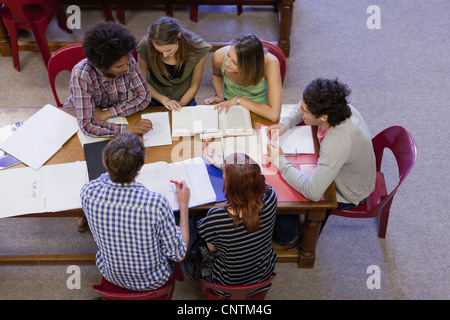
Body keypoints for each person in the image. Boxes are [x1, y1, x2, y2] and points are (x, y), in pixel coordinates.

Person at [267, 78, 376, 249]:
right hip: (342, 170)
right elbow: (300, 107)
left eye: (305, 111)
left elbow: (314, 192)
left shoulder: (337, 142)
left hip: (347, 192)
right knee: (291, 175)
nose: (300, 111)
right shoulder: (341, 109)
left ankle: (288, 237)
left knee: (281, 190)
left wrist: (279, 160)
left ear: (323, 117)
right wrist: (284, 124)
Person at [80, 132, 190, 291]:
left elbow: (104, 178)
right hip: (154, 280)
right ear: (140, 167)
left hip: (112, 275)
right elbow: (180, 255)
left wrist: (117, 167)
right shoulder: (156, 204)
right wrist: (184, 205)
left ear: (105, 162)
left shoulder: (88, 192)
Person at [197, 153, 277, 294]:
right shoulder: (271, 196)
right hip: (263, 273)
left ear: (230, 188)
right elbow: (258, 183)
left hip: (227, 282)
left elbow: (212, 248)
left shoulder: (216, 217)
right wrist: (227, 167)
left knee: (196, 229)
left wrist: (228, 170)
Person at [64, 22, 153, 137]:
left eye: (126, 62)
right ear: (102, 66)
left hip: (111, 115)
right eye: (119, 67)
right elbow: (87, 125)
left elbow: (144, 96)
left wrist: (106, 113)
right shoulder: (81, 75)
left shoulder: (126, 59)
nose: (126, 68)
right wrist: (127, 129)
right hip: (76, 118)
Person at [137, 16, 211, 111]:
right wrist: (165, 100)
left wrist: (180, 105)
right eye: (159, 51)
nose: (164, 55)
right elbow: (142, 83)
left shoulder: (198, 49)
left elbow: (194, 86)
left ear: (178, 37)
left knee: (188, 124)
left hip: (185, 99)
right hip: (154, 97)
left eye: (168, 50)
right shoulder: (144, 46)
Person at [204, 33, 282, 122]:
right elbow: (217, 75)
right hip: (229, 102)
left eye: (235, 63)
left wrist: (239, 100)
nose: (226, 64)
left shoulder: (271, 63)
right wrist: (220, 95)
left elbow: (274, 115)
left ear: (250, 66)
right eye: (228, 55)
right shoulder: (219, 56)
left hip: (260, 109)